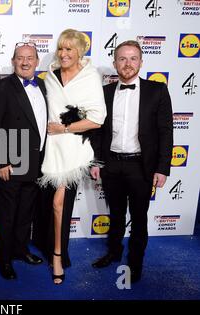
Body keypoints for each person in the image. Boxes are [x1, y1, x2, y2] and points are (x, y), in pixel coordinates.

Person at [90, 40, 173, 283]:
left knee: (139, 217)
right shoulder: (104, 93)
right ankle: (114, 253)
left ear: (141, 62)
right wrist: (96, 162)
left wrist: (162, 168)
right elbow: (97, 132)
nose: (127, 64)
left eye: (133, 58)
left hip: (141, 166)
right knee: (115, 214)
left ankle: (135, 263)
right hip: (112, 164)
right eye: (122, 59)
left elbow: (166, 132)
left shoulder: (157, 91)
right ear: (115, 63)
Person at [35, 29, 106, 284]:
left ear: (80, 53)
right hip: (49, 149)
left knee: (58, 204)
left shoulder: (90, 77)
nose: (64, 54)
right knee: (46, 205)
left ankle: (57, 256)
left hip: (74, 150)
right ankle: (49, 248)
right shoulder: (50, 76)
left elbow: (97, 119)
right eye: (61, 49)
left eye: (69, 50)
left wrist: (63, 128)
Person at [0, 42, 47, 280]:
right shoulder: (2, 87)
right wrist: (0, 161)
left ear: (37, 61)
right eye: (20, 58)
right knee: (7, 214)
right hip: (9, 163)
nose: (25, 62)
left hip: (35, 162)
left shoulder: (41, 85)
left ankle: (21, 250)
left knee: (25, 213)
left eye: (29, 58)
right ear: (13, 61)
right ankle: (4, 258)